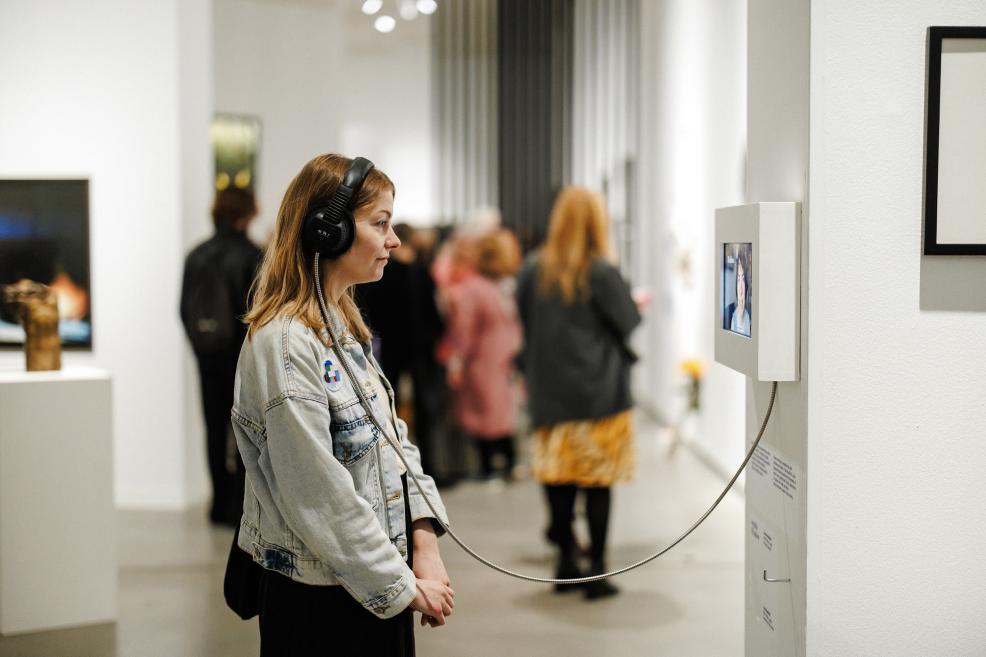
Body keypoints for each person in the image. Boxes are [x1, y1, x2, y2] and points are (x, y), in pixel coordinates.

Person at [231, 153, 454, 656]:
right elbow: (318, 494)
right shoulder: (285, 344)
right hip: (323, 604)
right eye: (380, 224)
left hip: (372, 584)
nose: (394, 240)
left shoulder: (342, 324)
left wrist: (424, 542)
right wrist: (401, 584)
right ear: (327, 232)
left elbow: (394, 440)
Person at [515, 186, 642, 600]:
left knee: (558, 477)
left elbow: (525, 321)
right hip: (598, 394)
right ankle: (597, 572)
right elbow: (627, 321)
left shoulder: (533, 269)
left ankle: (566, 560)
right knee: (597, 482)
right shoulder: (601, 271)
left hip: (549, 390)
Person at [180, 186, 262, 526]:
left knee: (213, 429)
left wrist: (201, 349)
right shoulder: (252, 255)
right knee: (245, 431)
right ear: (249, 212)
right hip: (242, 358)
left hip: (207, 357)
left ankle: (217, 505)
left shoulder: (196, 255)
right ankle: (239, 507)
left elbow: (183, 309)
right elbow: (259, 312)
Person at [445, 227, 522, 483]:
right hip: (508, 357)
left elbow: (463, 329)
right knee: (502, 410)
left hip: (482, 360)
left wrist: (456, 360)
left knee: (482, 412)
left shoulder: (472, 288)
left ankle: (489, 467)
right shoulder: (508, 286)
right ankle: (509, 462)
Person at [725, 244, 752, 336]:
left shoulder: (749, 319)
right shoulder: (731, 318)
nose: (740, 288)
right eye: (738, 279)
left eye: (743, 279)